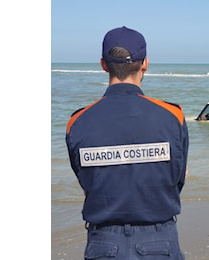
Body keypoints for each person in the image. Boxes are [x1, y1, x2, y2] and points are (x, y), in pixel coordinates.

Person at [65, 26, 189, 259]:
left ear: (103, 64)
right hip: (159, 238)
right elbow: (178, 177)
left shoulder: (77, 122)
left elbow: (85, 181)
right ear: (145, 64)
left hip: (103, 242)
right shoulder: (173, 116)